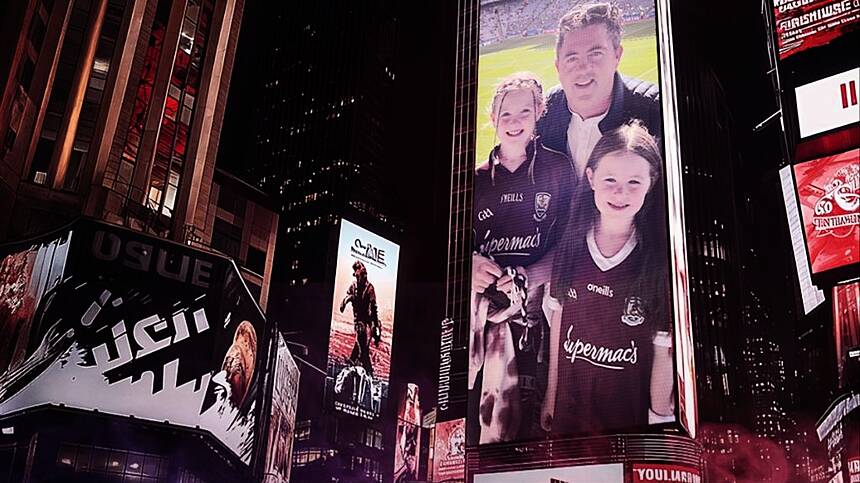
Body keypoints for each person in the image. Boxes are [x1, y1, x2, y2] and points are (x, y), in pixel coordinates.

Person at [541, 121, 674, 436]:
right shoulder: (570, 247)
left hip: (626, 425)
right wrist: (550, 395)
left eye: (634, 182)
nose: (620, 192)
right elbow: (558, 327)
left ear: (651, 183)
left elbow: (662, 352)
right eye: (610, 179)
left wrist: (658, 418)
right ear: (590, 178)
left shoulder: (657, 261)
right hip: (569, 417)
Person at [469, 72, 575, 444]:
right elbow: (454, 252)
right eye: (505, 114)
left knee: (533, 429)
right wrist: (471, 268)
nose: (514, 123)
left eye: (523, 113)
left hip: (538, 319)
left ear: (539, 113)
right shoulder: (473, 180)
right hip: (486, 322)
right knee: (485, 426)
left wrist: (528, 275)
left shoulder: (559, 169)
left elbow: (569, 247)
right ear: (493, 117)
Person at [536, 3, 661, 180]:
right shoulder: (543, 112)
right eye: (572, 58)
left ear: (617, 56)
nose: (583, 68)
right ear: (558, 66)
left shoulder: (656, 113)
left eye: (595, 54)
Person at [340, 260, 380, 377]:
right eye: (356, 276)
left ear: (364, 275)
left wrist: (376, 326)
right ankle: (368, 370)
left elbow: (374, 308)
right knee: (361, 343)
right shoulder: (353, 286)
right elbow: (348, 296)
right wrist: (345, 301)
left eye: (360, 276)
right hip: (358, 322)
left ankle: (353, 362)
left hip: (368, 322)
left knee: (363, 345)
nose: (358, 279)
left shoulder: (370, 289)